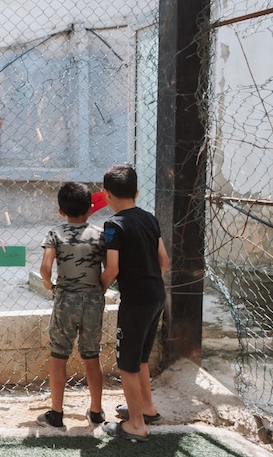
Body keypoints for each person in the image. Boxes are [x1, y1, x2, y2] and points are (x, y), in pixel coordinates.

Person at [99, 164, 169, 443]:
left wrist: (98, 290)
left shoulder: (113, 226)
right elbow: (164, 259)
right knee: (140, 358)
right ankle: (147, 408)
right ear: (137, 192)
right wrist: (151, 282)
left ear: (106, 195)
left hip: (136, 301)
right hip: (156, 295)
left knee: (127, 364)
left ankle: (136, 425)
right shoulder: (150, 218)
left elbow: (112, 269)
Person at [36, 182, 106, 431]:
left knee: (59, 355)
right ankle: (96, 411)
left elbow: (45, 268)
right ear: (90, 208)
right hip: (93, 300)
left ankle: (56, 413)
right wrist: (100, 289)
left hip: (66, 299)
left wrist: (50, 285)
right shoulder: (100, 234)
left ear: (60, 210)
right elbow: (110, 268)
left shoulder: (55, 234)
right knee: (91, 354)